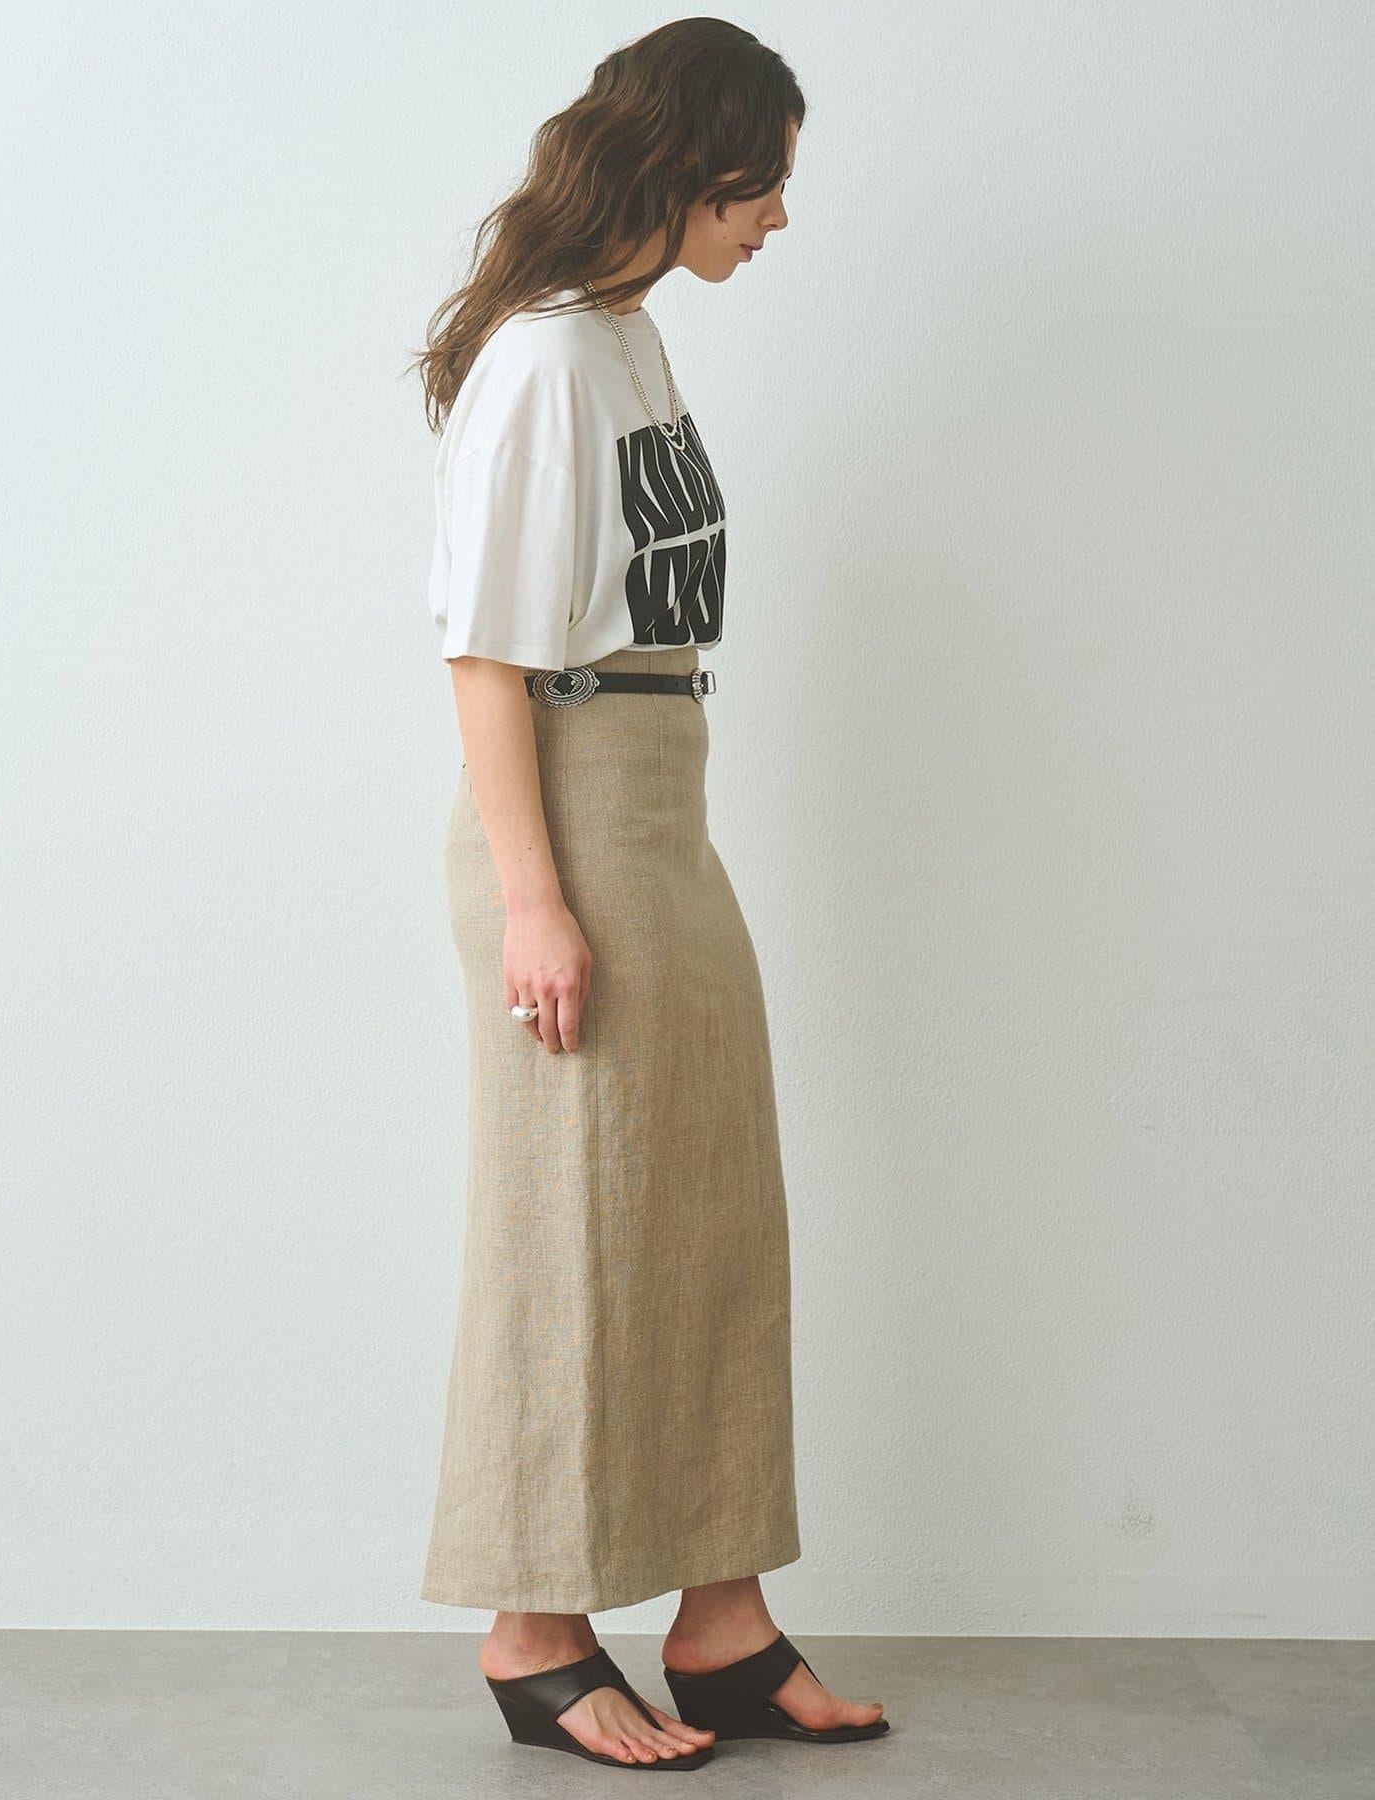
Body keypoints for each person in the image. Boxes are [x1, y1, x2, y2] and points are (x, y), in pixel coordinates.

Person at [409, 18, 890, 1772]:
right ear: (692, 166)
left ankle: (723, 1623)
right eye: (763, 185)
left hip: (660, 803)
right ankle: (532, 1634)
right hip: (572, 815)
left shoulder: (626, 336)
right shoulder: (546, 360)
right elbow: (485, 655)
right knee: (571, 1231)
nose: (777, 219)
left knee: (705, 1216)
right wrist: (536, 903)